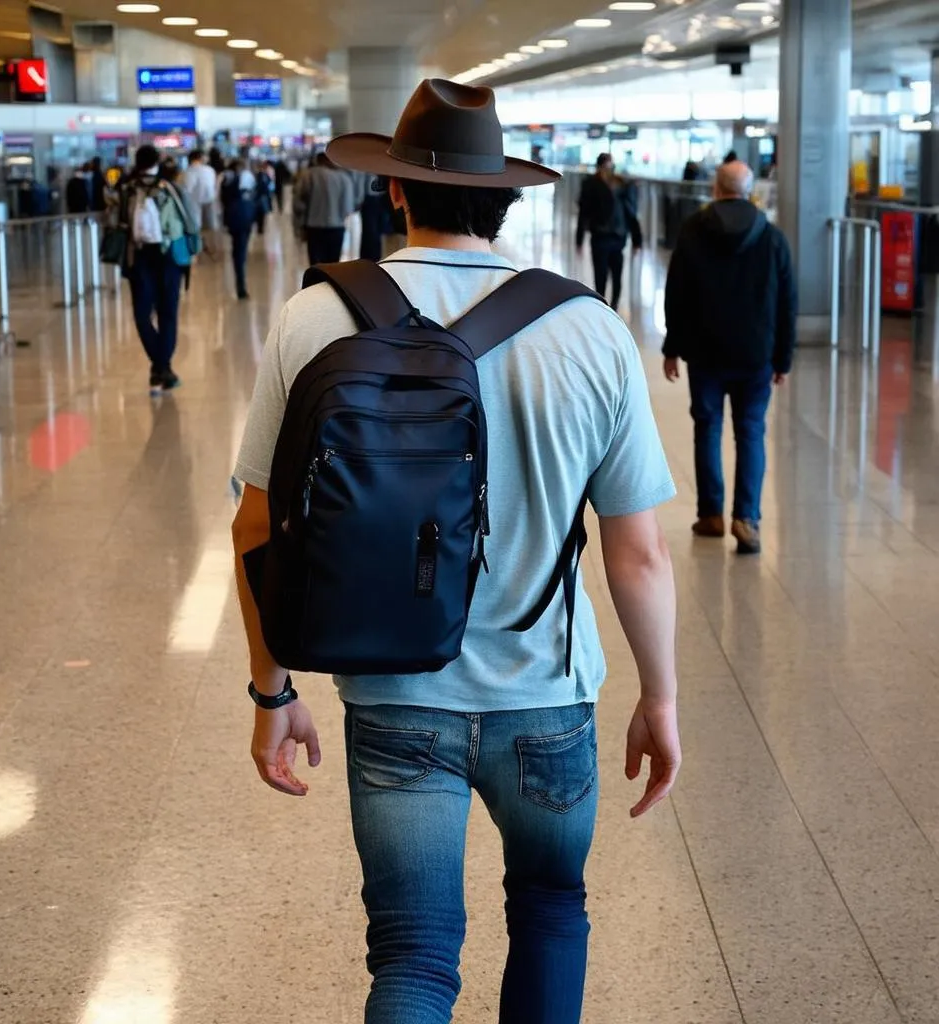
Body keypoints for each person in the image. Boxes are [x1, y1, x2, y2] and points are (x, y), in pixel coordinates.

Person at [231, 78, 681, 1024]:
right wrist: (660, 698)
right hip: (548, 698)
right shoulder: (590, 329)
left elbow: (258, 529)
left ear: (394, 192)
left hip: (393, 698)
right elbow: (637, 554)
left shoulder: (311, 320)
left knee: (412, 957)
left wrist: (274, 696)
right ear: (506, 197)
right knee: (553, 912)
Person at [662, 161, 797, 555]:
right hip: (756, 356)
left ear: (716, 189)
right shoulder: (772, 238)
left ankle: (711, 515)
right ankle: (747, 519)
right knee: (750, 431)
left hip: (705, 353)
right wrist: (782, 359)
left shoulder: (692, 232)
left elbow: (676, 295)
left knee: (708, 428)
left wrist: (672, 347)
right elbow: (787, 304)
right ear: (750, 191)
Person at [118, 144, 192, 393]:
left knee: (142, 314)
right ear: (157, 162)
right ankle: (163, 366)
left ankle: (159, 367)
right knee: (168, 313)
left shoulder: (125, 189)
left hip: (137, 257)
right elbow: (189, 219)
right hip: (169, 257)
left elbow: (114, 222)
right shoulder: (169, 187)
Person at [575, 154, 641, 311]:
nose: (608, 171)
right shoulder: (591, 185)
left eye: (610, 168)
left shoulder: (621, 186)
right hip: (600, 238)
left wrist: (637, 239)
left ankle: (614, 306)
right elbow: (584, 213)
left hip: (617, 238)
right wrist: (579, 238)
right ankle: (602, 306)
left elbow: (630, 213)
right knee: (601, 275)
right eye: (606, 167)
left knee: (617, 276)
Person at [292, 151, 357, 265]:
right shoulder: (344, 178)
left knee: (316, 263)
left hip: (314, 227)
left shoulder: (309, 175)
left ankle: (317, 282)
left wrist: (299, 224)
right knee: (333, 264)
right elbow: (348, 208)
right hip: (337, 227)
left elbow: (298, 203)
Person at [220, 158, 257, 299]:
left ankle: (240, 282)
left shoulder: (226, 180)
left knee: (238, 251)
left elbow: (222, 200)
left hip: (234, 219)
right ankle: (240, 286)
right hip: (246, 217)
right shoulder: (248, 178)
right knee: (241, 251)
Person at [183, 149, 218, 254]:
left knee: (196, 225)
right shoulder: (210, 170)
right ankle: (212, 248)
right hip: (210, 201)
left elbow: (187, 189)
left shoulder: (189, 171)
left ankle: (197, 247)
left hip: (194, 202)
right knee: (211, 226)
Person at [254, 161, 274, 236]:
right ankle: (260, 228)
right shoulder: (263, 175)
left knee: (260, 213)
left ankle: (260, 228)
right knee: (261, 212)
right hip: (263, 196)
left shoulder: (259, 175)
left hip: (260, 196)